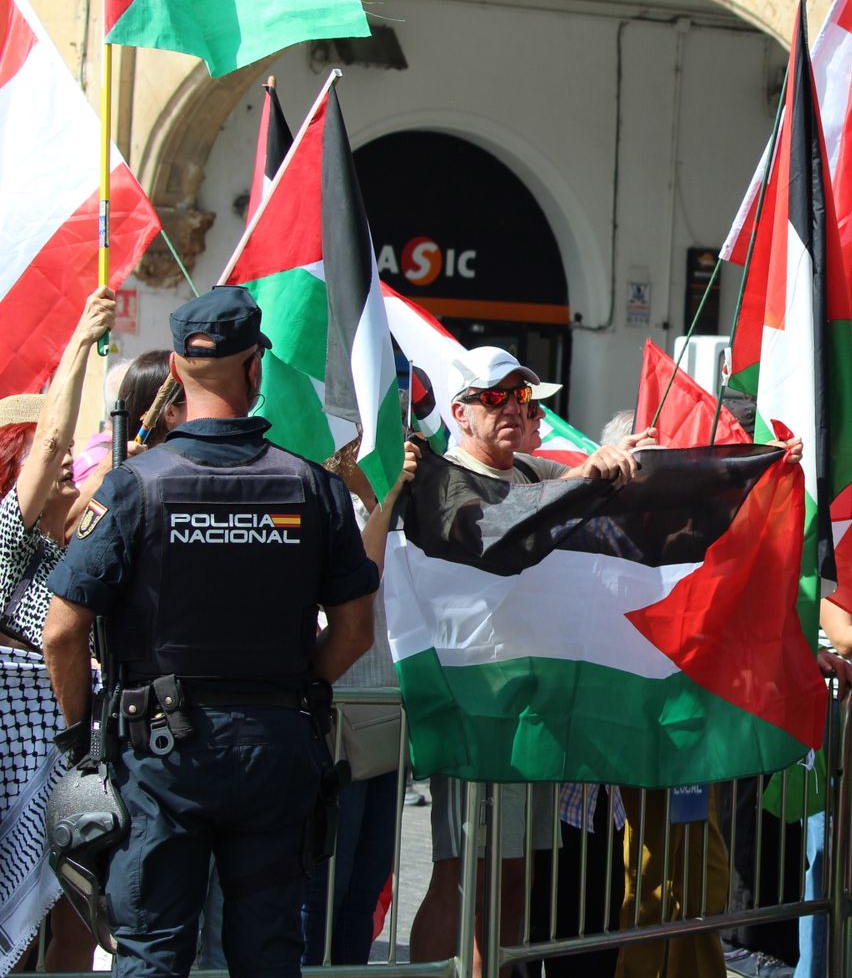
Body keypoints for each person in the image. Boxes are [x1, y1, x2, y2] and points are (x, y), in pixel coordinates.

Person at [41, 285, 379, 976]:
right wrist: (294, 690)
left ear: (173, 368)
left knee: (153, 952)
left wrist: (82, 735)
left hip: (160, 754)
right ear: (256, 369)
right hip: (275, 749)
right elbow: (354, 630)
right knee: (267, 953)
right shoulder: (312, 488)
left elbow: (60, 632)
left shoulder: (134, 485)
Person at [408, 346, 650, 973]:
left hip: (529, 712)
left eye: (522, 396)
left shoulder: (531, 473)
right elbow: (493, 531)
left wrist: (742, 463)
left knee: (512, 878)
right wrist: (584, 474)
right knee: (460, 874)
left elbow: (612, 488)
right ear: (460, 412)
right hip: (475, 707)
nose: (513, 407)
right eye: (496, 396)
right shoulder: (441, 475)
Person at [0, 288, 113, 972]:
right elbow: (49, 445)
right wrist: (77, 342)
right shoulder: (5, 544)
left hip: (73, 766)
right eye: (59, 463)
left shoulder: (80, 548)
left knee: (74, 919)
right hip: (15, 771)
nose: (71, 465)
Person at [302, 437, 417, 966]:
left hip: (388, 719)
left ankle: (347, 968)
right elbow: (356, 589)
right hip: (339, 719)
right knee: (329, 878)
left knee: (367, 880)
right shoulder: (327, 503)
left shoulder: (397, 509)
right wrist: (385, 498)